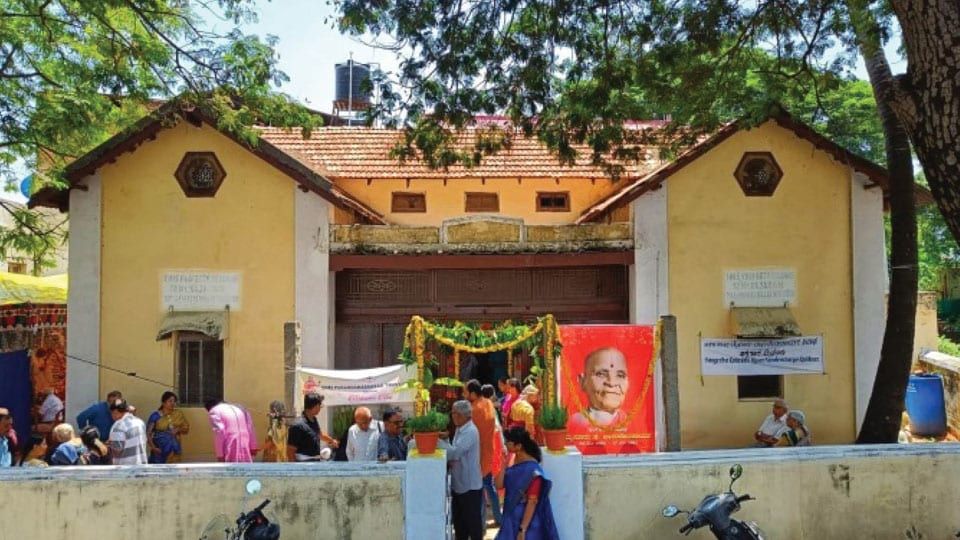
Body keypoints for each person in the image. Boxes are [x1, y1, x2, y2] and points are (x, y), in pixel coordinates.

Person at [496, 426, 560, 540]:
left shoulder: (533, 471)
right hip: (511, 518)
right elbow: (498, 485)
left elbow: (532, 501)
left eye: (508, 442)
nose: (505, 444)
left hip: (528, 523)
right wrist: (503, 464)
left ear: (518, 446)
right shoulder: (512, 461)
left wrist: (522, 529)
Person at [438, 400, 484, 540]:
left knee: (473, 525)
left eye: (454, 413)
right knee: (459, 524)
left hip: (469, 485)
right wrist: (445, 439)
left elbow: (454, 453)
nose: (452, 416)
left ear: (462, 415)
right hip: (459, 483)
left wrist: (437, 441)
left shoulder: (470, 431)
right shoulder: (460, 428)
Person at [465, 379, 500, 528]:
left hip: (477, 455)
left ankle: (480, 524)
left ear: (473, 393)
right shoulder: (488, 403)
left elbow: (470, 435)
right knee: (489, 486)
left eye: (465, 392)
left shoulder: (474, 410)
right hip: (488, 450)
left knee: (478, 488)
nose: (463, 394)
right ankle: (499, 517)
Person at [569, 347, 630, 430]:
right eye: (601, 374)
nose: (611, 383)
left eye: (620, 375)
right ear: (583, 382)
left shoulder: (633, 425)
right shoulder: (574, 423)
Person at [286, 392, 339, 462]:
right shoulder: (297, 425)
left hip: (314, 463)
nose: (320, 408)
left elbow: (320, 434)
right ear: (316, 406)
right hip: (302, 466)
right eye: (320, 405)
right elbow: (290, 452)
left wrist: (332, 441)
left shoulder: (313, 420)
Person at [205, 398, 259, 463]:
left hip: (230, 444)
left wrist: (220, 454)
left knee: (231, 470)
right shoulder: (240, 408)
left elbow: (220, 431)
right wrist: (253, 446)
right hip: (245, 443)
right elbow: (250, 427)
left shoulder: (214, 411)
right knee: (246, 469)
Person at [482, 383, 506, 526]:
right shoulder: (490, 408)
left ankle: (490, 516)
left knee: (486, 483)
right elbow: (498, 429)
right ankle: (496, 515)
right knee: (490, 482)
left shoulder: (481, 408)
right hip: (493, 446)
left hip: (486, 449)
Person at [146, 391, 190, 463]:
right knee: (159, 472)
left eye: (174, 401)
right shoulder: (155, 415)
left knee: (174, 472)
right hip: (159, 451)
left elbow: (186, 429)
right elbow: (148, 433)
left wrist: (178, 429)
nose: (173, 403)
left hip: (174, 451)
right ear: (163, 403)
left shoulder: (178, 414)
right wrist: (154, 448)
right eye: (170, 401)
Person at [109, 398, 148, 465]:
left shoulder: (119, 426)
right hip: (142, 466)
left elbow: (117, 451)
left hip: (126, 470)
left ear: (115, 412)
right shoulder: (140, 422)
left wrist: (109, 446)